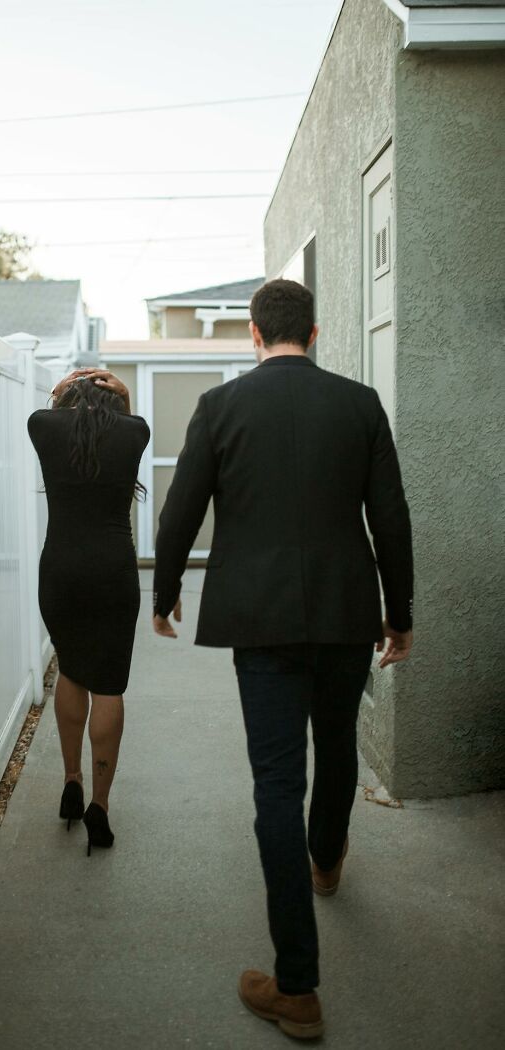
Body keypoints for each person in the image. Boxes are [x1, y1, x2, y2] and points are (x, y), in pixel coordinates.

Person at [152, 279, 413, 1040]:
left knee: (276, 783)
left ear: (256, 335)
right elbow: (389, 518)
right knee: (337, 748)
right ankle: (325, 861)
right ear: (318, 332)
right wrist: (401, 616)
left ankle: (297, 986)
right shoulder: (360, 404)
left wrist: (164, 592)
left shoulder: (221, 407)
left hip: (259, 621)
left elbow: (182, 508)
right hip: (342, 614)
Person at [28, 368, 150, 855]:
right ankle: (99, 806)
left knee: (71, 671)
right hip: (113, 573)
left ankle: (71, 780)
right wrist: (122, 392)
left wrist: (62, 390)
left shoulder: (43, 426)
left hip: (60, 571)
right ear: (113, 401)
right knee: (109, 684)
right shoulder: (134, 432)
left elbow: (48, 409)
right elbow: (131, 416)